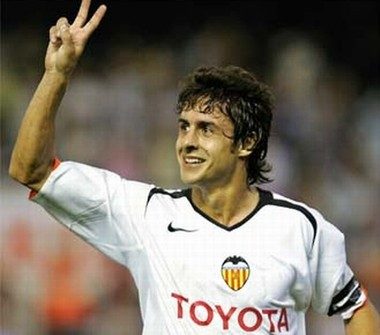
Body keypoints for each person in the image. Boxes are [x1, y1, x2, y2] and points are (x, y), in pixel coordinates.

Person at [8, 0, 380, 334]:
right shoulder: (147, 213)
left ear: (246, 143)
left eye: (206, 130)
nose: (187, 141)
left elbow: (356, 307)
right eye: (184, 126)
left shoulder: (302, 228)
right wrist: (56, 75)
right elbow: (31, 170)